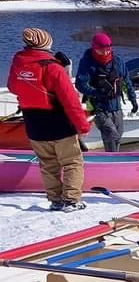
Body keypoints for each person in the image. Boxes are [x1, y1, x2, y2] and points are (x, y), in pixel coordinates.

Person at [6, 28, 92, 211]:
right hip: (59, 124)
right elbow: (71, 102)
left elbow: (13, 88)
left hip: (34, 124)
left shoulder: (18, 64)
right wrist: (83, 126)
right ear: (46, 44)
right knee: (72, 162)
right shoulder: (53, 68)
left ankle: (55, 200)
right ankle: (71, 200)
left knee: (47, 164)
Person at [75, 32, 138, 152]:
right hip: (98, 108)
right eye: (101, 50)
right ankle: (112, 160)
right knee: (111, 135)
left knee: (118, 136)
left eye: (107, 50)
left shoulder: (118, 62)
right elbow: (80, 84)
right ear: (94, 48)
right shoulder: (87, 63)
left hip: (116, 107)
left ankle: (113, 158)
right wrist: (96, 92)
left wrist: (133, 100)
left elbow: (127, 82)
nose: (105, 53)